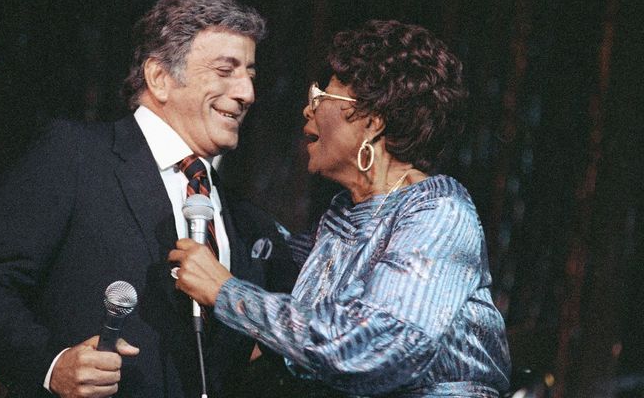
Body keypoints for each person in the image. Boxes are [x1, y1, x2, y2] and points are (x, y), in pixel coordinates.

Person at [0, 0, 297, 398]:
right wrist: (52, 365)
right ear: (160, 78)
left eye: (251, 75)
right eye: (226, 70)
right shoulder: (75, 155)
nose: (247, 93)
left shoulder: (246, 219)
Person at [170, 20, 512, 397]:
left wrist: (226, 293)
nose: (307, 110)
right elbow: (271, 264)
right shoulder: (340, 221)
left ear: (372, 121)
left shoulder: (439, 212)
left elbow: (373, 347)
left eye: (321, 97)